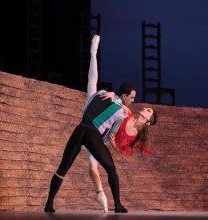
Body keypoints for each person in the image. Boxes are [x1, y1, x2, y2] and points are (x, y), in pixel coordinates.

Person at [44, 35, 128, 213]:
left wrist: (93, 52)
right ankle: (117, 205)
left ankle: (49, 204)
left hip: (81, 128)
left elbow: (93, 83)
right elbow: (109, 132)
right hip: (93, 134)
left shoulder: (99, 95)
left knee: (63, 168)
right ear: (124, 96)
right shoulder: (119, 109)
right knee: (110, 169)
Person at [85, 36, 157, 213]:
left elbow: (123, 149)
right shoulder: (129, 112)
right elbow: (120, 104)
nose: (140, 105)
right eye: (146, 107)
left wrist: (116, 145)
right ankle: (93, 52)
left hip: (101, 137)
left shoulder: (135, 135)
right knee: (93, 87)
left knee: (92, 168)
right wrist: (112, 95)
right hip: (97, 118)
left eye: (148, 111)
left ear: (148, 122)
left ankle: (101, 195)